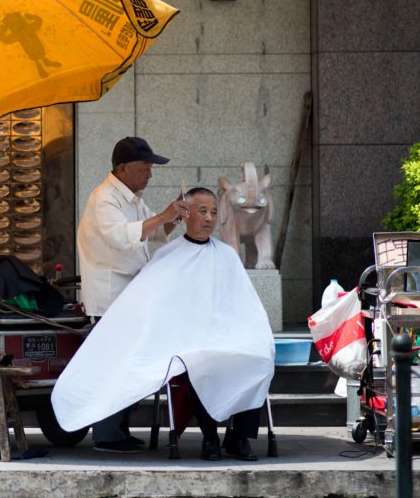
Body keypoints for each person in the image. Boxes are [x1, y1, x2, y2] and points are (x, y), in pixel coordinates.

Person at [53, 187, 275, 461]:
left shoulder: (228, 256)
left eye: (214, 213)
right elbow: (152, 306)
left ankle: (240, 438)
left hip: (228, 333)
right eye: (202, 211)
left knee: (257, 356)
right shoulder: (168, 256)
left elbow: (245, 305)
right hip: (187, 338)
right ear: (186, 213)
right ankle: (210, 439)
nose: (209, 218)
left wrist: (246, 332)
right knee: (201, 359)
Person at [76, 136, 190, 452]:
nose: (150, 175)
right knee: (114, 366)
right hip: (111, 297)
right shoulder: (104, 199)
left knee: (127, 364)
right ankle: (106, 434)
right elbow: (124, 236)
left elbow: (151, 232)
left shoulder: (133, 198)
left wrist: (175, 216)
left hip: (132, 295)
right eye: (145, 168)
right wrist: (165, 215)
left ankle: (117, 430)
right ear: (123, 168)